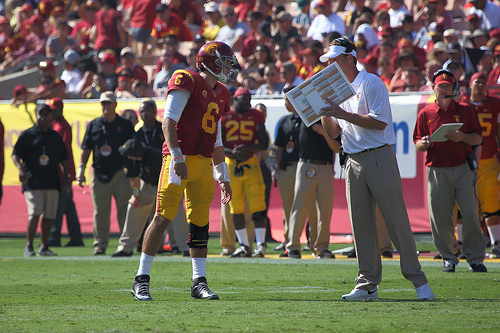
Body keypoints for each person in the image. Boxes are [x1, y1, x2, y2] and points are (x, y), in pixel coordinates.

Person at [319, 38, 434, 300]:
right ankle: (367, 283)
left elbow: (379, 123)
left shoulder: (370, 82)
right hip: (353, 160)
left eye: (335, 59)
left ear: (350, 58)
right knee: (360, 225)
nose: (331, 65)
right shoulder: (338, 89)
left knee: (396, 221)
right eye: (329, 61)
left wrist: (340, 112)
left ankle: (419, 281)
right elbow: (333, 132)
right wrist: (323, 110)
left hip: (379, 157)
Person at [130, 41, 237, 301]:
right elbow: (168, 122)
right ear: (210, 62)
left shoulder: (222, 93)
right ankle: (140, 279)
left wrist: (223, 176)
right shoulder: (186, 79)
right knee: (163, 216)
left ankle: (198, 282)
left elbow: (218, 139)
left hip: (203, 162)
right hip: (180, 160)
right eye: (225, 61)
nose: (229, 67)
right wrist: (177, 157)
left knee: (200, 224)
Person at [413, 69, 487, 273]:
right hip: (437, 169)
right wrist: (424, 143)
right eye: (441, 86)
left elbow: (478, 139)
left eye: (448, 86)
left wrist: (461, 137)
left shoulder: (465, 109)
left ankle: (475, 257)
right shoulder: (425, 113)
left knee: (471, 212)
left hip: (463, 167)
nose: (445, 89)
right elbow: (417, 141)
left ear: (453, 88)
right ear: (434, 88)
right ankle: (448, 257)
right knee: (441, 217)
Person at [281, 86, 338, 259]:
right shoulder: (307, 113)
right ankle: (293, 246)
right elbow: (294, 100)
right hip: (306, 165)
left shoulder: (332, 120)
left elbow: (336, 147)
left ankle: (321, 247)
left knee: (325, 209)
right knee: (299, 206)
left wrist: (323, 132)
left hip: (326, 167)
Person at [76, 91, 135, 255]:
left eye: (109, 103)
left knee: (125, 209)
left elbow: (133, 149)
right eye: (103, 103)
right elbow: (86, 148)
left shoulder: (125, 124)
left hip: (120, 172)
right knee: (100, 211)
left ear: (115, 104)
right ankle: (100, 244)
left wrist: (133, 172)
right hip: (99, 172)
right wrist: (81, 169)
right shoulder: (94, 124)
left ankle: (125, 245)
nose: (106, 106)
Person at [12, 103, 70, 257]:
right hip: (33, 181)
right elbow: (15, 154)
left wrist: (67, 177)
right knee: (35, 212)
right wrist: (20, 169)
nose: (43, 117)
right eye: (41, 114)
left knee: (49, 216)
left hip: (52, 181)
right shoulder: (28, 134)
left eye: (47, 114)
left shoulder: (55, 136)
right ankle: (29, 246)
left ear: (51, 116)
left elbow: (64, 158)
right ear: (36, 115)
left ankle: (44, 246)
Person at [111, 99, 165, 257]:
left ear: (155, 111)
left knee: (176, 215)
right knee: (134, 207)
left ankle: (181, 247)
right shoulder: (137, 135)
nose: (144, 114)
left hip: (167, 178)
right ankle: (125, 247)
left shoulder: (164, 129)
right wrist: (135, 194)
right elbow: (132, 171)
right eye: (141, 111)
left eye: (147, 111)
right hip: (147, 181)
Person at [221, 88, 269, 258]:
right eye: (244, 99)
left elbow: (264, 143)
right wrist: (231, 152)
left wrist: (248, 148)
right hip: (231, 164)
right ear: (235, 98)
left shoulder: (256, 115)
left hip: (251, 163)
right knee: (236, 207)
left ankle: (261, 245)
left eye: (250, 99)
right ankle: (244, 245)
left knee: (258, 205)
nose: (248, 103)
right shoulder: (223, 116)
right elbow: (216, 144)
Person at [463, 72, 500, 259]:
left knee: (491, 201)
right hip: (465, 159)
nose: (481, 85)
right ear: (470, 84)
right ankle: (461, 243)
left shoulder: (494, 104)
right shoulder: (462, 105)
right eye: (477, 82)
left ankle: (496, 242)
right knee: (463, 201)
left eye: (484, 83)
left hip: (488, 159)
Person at [47, 97, 84, 248]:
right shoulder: (54, 124)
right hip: (60, 172)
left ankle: (54, 237)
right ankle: (76, 237)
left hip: (63, 172)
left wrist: (67, 174)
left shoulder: (63, 126)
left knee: (59, 206)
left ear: (60, 110)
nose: (52, 113)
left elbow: (65, 151)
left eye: (54, 110)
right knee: (68, 206)